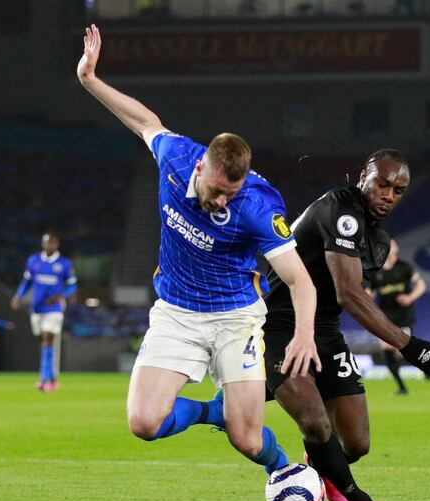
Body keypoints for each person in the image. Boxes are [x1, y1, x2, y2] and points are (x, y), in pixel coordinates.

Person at [76, 24, 320, 475]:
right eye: (217, 190)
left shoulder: (258, 205)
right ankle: (214, 412)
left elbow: (297, 279)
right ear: (203, 165)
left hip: (235, 317)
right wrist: (91, 80)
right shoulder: (175, 158)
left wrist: (304, 333)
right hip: (178, 313)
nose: (222, 201)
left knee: (247, 439)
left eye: (232, 192)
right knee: (144, 422)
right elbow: (144, 121)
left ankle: (282, 469)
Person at [261, 149, 430, 501]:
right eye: (382, 183)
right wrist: (412, 347)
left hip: (326, 332)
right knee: (316, 423)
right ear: (362, 176)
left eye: (398, 190)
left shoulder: (380, 242)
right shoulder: (340, 208)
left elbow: (341, 303)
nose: (388, 194)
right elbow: (350, 294)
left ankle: (321, 465)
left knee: (356, 444)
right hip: (279, 326)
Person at [11, 232, 77, 392]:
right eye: (46, 242)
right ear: (43, 244)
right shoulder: (34, 261)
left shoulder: (64, 264)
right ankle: (53, 379)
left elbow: (72, 286)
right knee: (43, 342)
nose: (49, 245)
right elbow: (26, 282)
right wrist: (18, 296)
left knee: (48, 339)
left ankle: (43, 380)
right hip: (37, 308)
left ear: (57, 244)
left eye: (52, 243)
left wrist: (61, 296)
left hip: (54, 309)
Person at [368, 237, 427, 394]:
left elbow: (421, 285)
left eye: (392, 244)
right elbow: (369, 294)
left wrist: (410, 298)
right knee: (386, 347)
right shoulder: (376, 271)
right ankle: (401, 387)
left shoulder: (405, 268)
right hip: (385, 317)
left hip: (404, 316)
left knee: (405, 351)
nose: (389, 247)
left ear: (397, 248)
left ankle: (426, 366)